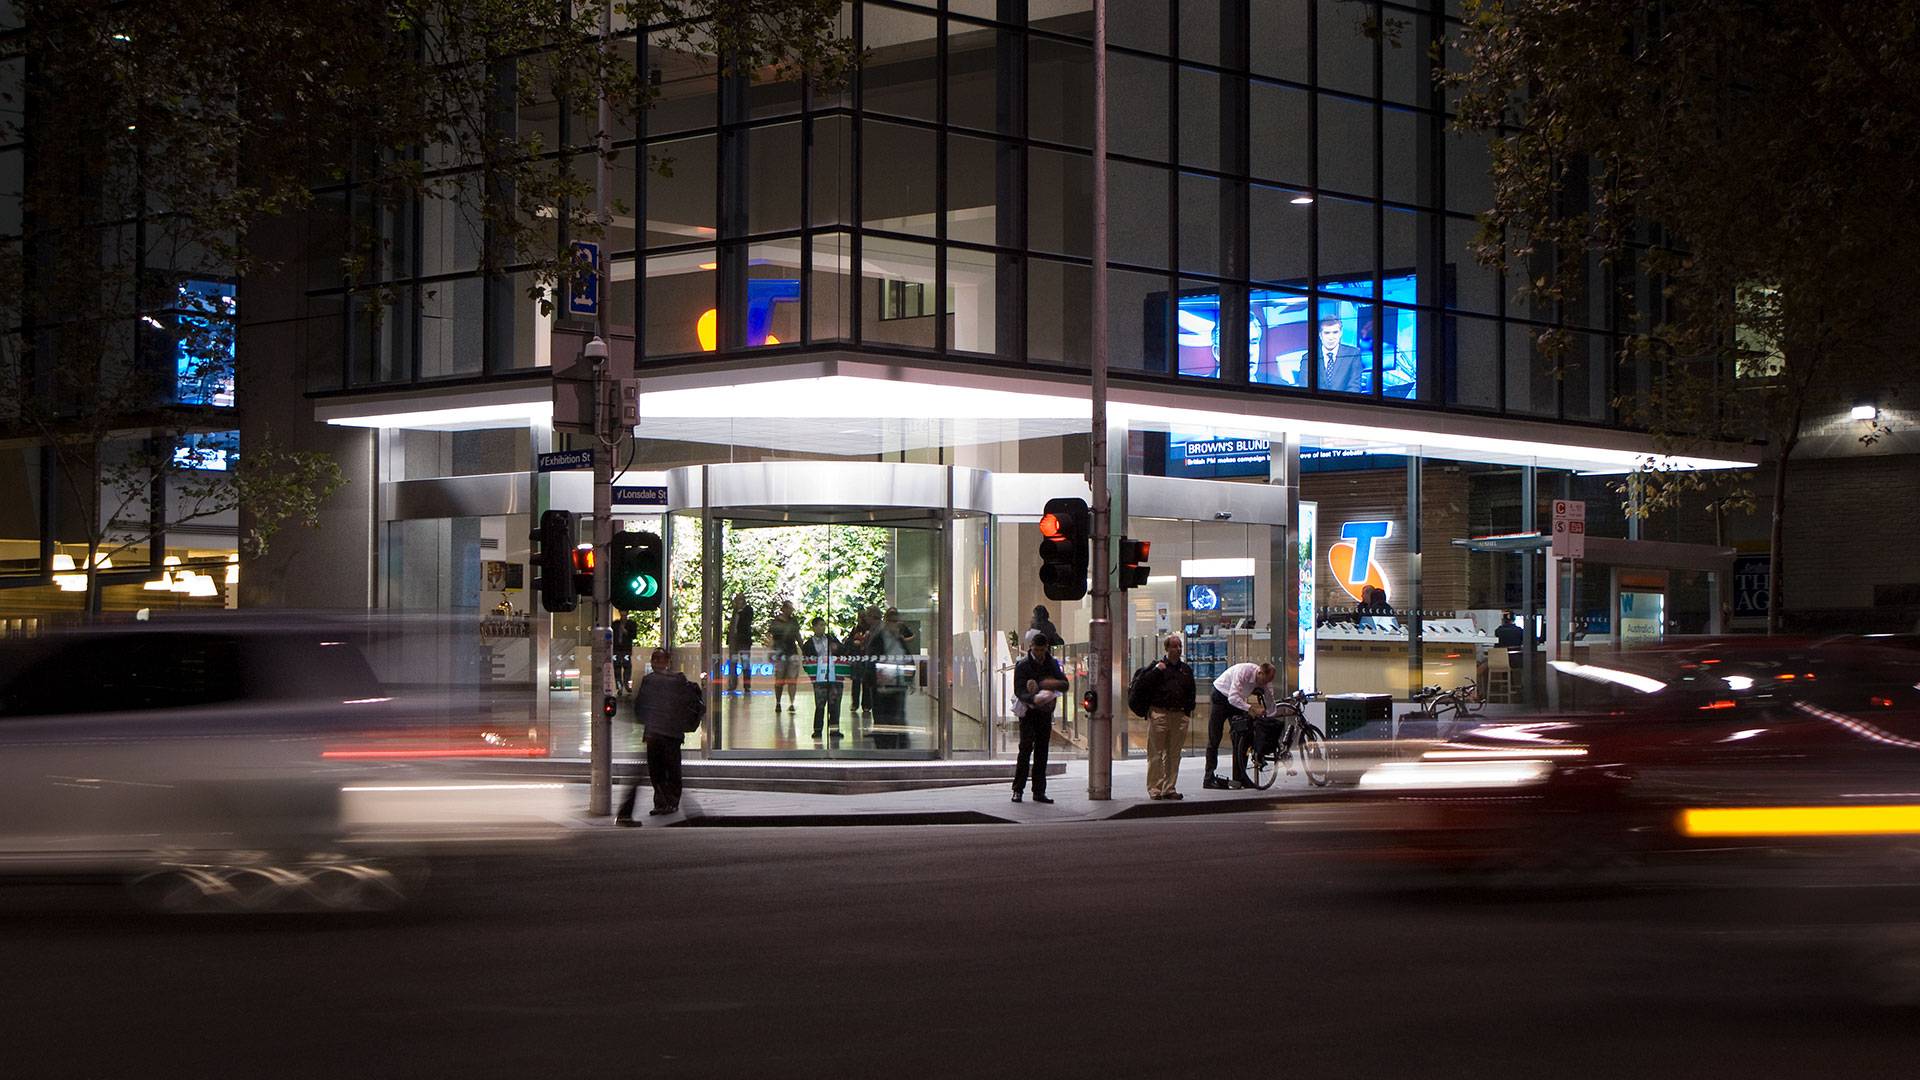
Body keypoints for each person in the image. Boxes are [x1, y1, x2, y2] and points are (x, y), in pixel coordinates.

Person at [617, 648, 698, 824]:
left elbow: (639, 708)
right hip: (671, 734)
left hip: (655, 734)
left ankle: (662, 802)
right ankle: (670, 802)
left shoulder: (650, 681)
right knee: (671, 769)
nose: (658, 663)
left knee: (658, 770)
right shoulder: (678, 680)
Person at [1138, 634, 1197, 801]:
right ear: (1167, 649)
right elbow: (1144, 686)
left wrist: (1187, 712)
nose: (1178, 650)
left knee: (1174, 754)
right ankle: (1154, 788)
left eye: (1180, 647)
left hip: (1179, 715)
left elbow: (1191, 691)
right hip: (1160, 713)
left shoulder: (1185, 670)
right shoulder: (1157, 667)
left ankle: (1169, 788)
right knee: (1156, 753)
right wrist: (1157, 671)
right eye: (1174, 646)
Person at [1012, 630, 1066, 804]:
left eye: (1043, 651)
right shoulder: (1023, 665)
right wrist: (1032, 698)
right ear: (1031, 648)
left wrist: (1046, 685)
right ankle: (1018, 790)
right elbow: (1019, 690)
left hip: (1044, 712)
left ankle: (1039, 791)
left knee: (1042, 751)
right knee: (1025, 749)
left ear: (1046, 648)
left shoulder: (1051, 663)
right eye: (1037, 650)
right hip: (1028, 712)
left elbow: (1064, 683)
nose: (1040, 654)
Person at [1207, 661, 1275, 790]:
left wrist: (1270, 716)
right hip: (1221, 695)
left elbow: (1269, 698)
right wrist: (1250, 708)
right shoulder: (1244, 671)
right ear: (1260, 673)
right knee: (1214, 737)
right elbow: (1232, 698)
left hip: (1237, 700)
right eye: (1265, 680)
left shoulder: (1265, 680)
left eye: (1268, 681)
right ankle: (1208, 777)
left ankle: (1241, 777)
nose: (1265, 684)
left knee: (1243, 737)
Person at [800, 616, 845, 740]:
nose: (822, 627)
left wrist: (837, 649)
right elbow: (806, 662)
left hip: (833, 675)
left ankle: (834, 729)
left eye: (824, 625)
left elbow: (843, 650)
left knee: (835, 704)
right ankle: (818, 730)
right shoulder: (809, 644)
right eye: (820, 625)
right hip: (819, 677)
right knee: (820, 703)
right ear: (813, 627)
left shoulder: (831, 639)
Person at [1315, 311, 1366, 394]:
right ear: (1320, 335)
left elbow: (1355, 387)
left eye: (1335, 332)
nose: (1331, 337)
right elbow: (1305, 386)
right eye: (1327, 333)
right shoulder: (1308, 357)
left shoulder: (1353, 354)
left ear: (1340, 333)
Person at [767, 599, 802, 714]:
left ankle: (791, 702)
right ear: (784, 609)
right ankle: (778, 702)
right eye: (789, 608)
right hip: (780, 654)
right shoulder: (776, 622)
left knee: (792, 680)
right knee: (779, 680)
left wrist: (804, 649)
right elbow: (771, 637)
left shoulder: (793, 622)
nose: (790, 611)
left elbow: (798, 636)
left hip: (791, 653)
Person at [725, 593, 754, 694]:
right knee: (733, 663)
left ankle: (747, 685)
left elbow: (746, 623)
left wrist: (739, 612)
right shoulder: (735, 612)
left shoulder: (748, 610)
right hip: (734, 641)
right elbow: (732, 626)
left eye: (739, 600)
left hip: (744, 642)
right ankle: (732, 684)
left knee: (745, 663)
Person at [612, 615, 637, 696]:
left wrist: (625, 631)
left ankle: (627, 685)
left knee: (627, 668)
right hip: (616, 649)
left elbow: (633, 636)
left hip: (626, 649)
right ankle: (619, 687)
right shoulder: (615, 624)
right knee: (617, 669)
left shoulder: (631, 624)